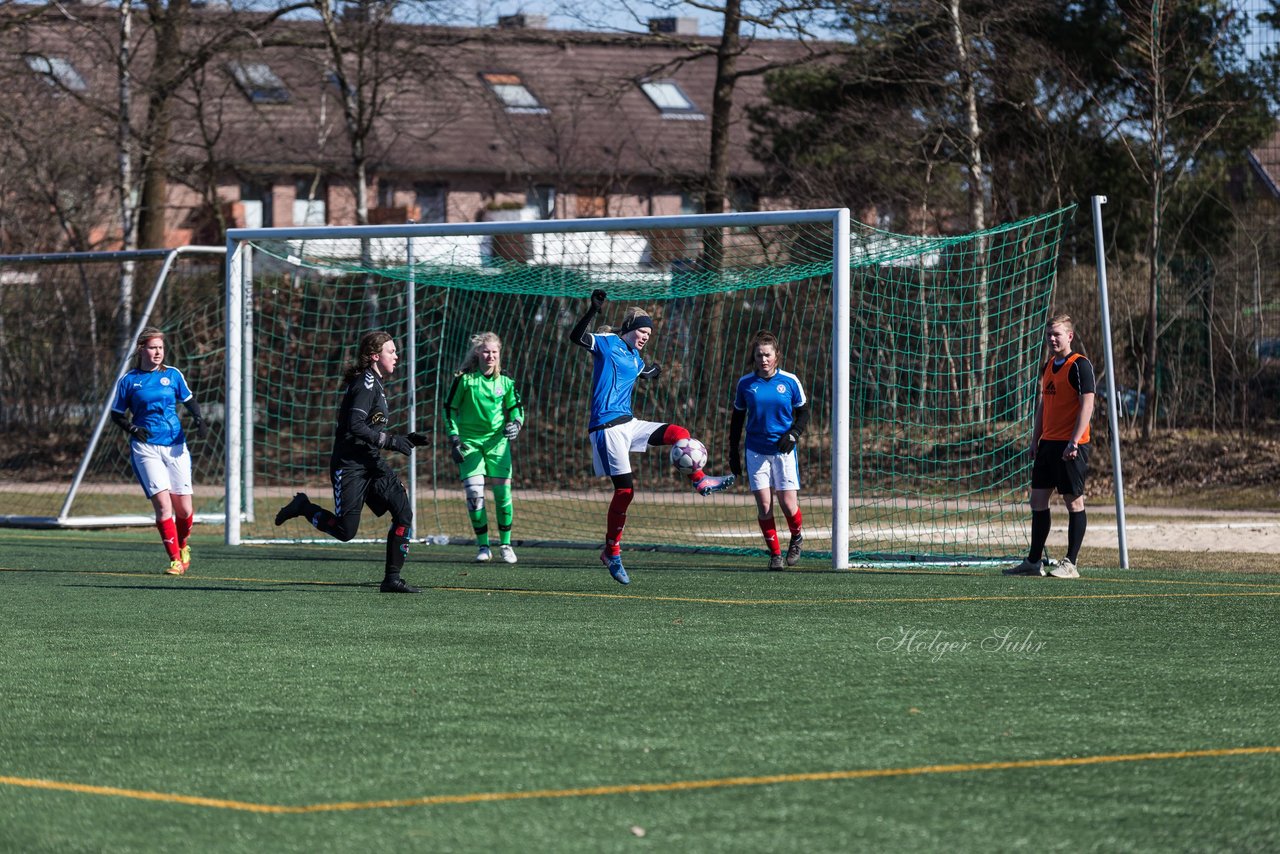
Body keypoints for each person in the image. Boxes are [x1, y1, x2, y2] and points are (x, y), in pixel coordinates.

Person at [570, 289, 734, 585]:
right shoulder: (607, 343)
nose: (646, 336)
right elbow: (577, 337)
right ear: (630, 329)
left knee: (679, 433)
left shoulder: (635, 356)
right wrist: (593, 310)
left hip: (628, 423)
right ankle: (612, 552)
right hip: (607, 428)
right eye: (642, 331)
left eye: (649, 333)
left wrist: (651, 372)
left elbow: (643, 370)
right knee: (625, 492)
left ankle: (700, 479)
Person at [273, 330, 427, 593]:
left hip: (372, 463)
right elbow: (355, 425)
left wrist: (404, 439)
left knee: (403, 512)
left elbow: (368, 428)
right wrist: (391, 441)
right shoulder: (365, 384)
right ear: (376, 356)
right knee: (346, 531)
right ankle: (304, 507)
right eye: (392, 352)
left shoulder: (377, 384)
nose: (397, 356)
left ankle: (392, 579)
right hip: (350, 467)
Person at [109, 326, 209, 576]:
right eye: (153, 347)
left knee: (184, 510)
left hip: (176, 447)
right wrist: (132, 428)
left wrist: (199, 419)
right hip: (146, 449)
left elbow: (189, 400)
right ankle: (175, 560)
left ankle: (183, 546)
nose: (157, 352)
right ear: (141, 349)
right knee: (164, 506)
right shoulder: (129, 380)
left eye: (161, 348)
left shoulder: (173, 375)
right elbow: (116, 414)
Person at [1005, 313, 1096, 579]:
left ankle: (1071, 563)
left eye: (1057, 334)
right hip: (1048, 445)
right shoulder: (1047, 367)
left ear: (1070, 336)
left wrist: (1074, 440)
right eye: (1049, 335)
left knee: (1074, 502)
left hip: (1071, 447)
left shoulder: (1080, 365)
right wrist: (1035, 440)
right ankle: (1034, 562)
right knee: (1038, 501)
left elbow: (1087, 404)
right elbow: (1043, 406)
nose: (1052, 339)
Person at [728, 331, 809, 570]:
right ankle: (775, 555)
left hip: (783, 451)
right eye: (759, 355)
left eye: (767, 355)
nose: (763, 359)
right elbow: (737, 419)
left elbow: (804, 413)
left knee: (787, 503)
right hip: (755, 451)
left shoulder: (790, 381)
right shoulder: (745, 384)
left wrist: (794, 434)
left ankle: (796, 538)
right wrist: (733, 451)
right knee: (764, 505)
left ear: (776, 356)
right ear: (753, 357)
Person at [445, 331, 525, 564]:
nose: (490, 355)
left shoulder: (506, 381)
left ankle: (506, 545)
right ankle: (483, 546)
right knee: (474, 495)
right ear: (478, 353)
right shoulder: (464, 380)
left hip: (498, 444)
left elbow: (517, 408)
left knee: (503, 495)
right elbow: (449, 409)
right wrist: (454, 438)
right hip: (469, 444)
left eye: (495, 352)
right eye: (486, 351)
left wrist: (517, 423)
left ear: (499, 354)